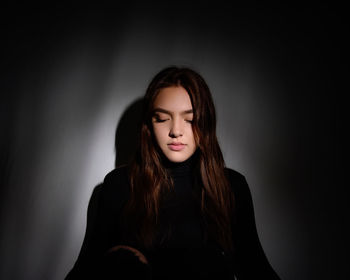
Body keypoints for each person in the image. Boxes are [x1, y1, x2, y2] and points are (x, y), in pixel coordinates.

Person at [65, 66, 281, 279]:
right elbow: (86, 270)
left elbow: (256, 268)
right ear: (148, 125)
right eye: (162, 118)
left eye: (190, 119)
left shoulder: (232, 186)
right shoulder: (119, 185)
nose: (176, 131)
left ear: (205, 122)